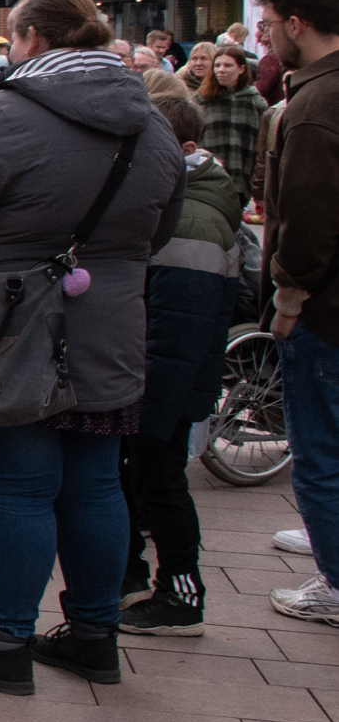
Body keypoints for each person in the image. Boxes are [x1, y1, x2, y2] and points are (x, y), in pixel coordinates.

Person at [0, 0, 185, 692]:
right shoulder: (150, 125)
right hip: (109, 326)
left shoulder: (6, 115)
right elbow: (163, 224)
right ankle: (94, 632)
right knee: (93, 482)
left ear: (27, 39)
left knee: (20, 486)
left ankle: (5, 637)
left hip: (4, 327)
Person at [120, 94, 244, 635]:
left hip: (160, 382)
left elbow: (177, 327)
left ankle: (179, 590)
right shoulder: (188, 202)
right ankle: (131, 577)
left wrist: (150, 406)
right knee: (144, 478)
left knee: (160, 479)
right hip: (156, 377)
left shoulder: (190, 219)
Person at [257, 0, 339, 626]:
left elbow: (309, 215)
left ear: (296, 23)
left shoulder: (313, 106)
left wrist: (290, 291)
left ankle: (334, 575)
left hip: (325, 309)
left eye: (269, 22)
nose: (265, 35)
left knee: (319, 448)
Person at [198, 47, 269, 199]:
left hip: (242, 178)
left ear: (241, 68)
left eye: (228, 65)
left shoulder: (255, 102)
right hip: (208, 178)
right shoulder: (202, 100)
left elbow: (263, 144)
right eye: (217, 65)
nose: (221, 70)